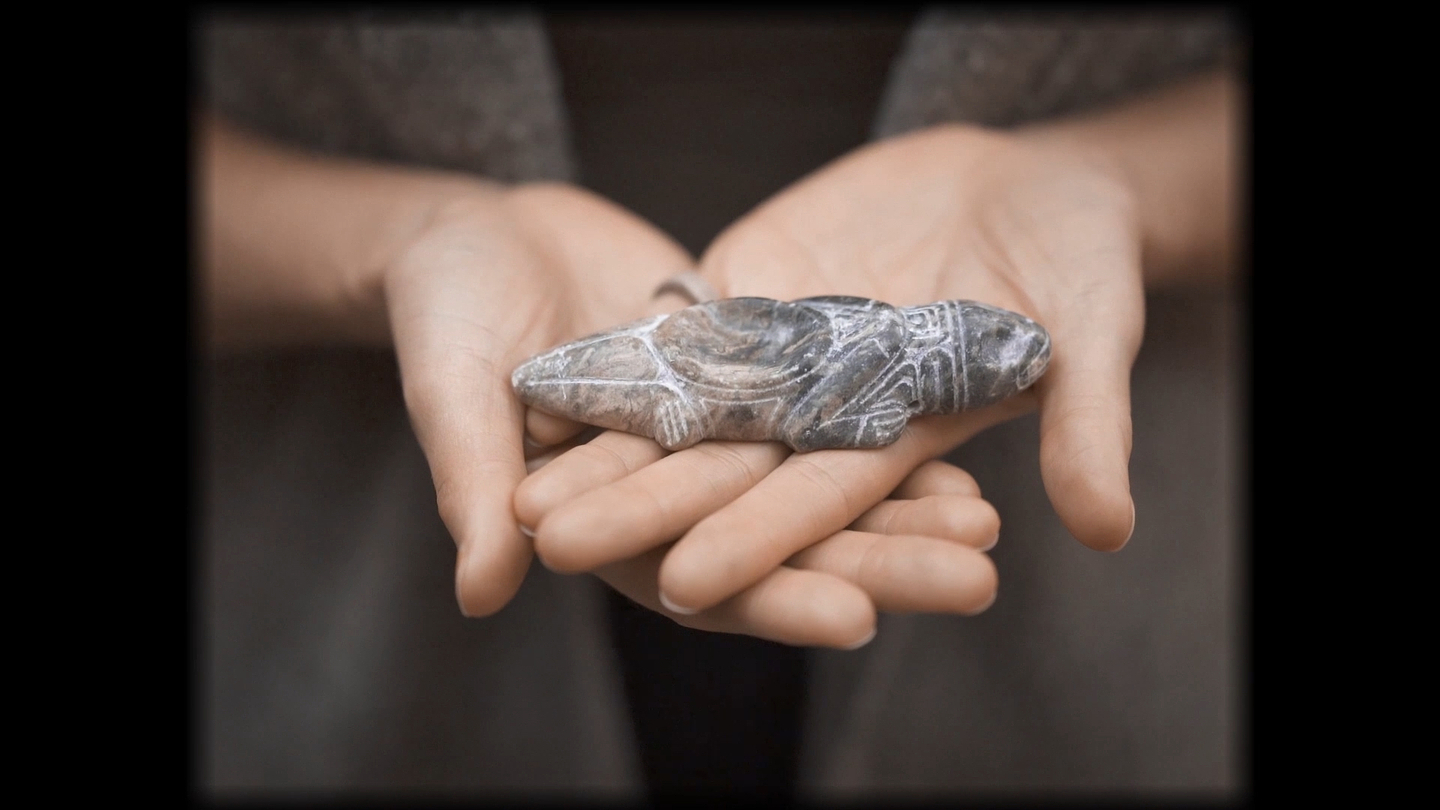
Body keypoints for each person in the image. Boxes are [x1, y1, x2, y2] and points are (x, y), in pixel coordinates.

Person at [199, 9, 1241, 795]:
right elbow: (836, 384)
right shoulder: (868, 362)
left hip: (1102, 659)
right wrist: (393, 240)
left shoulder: (922, 358)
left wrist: (1116, 175)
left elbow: (855, 384)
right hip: (335, 590)